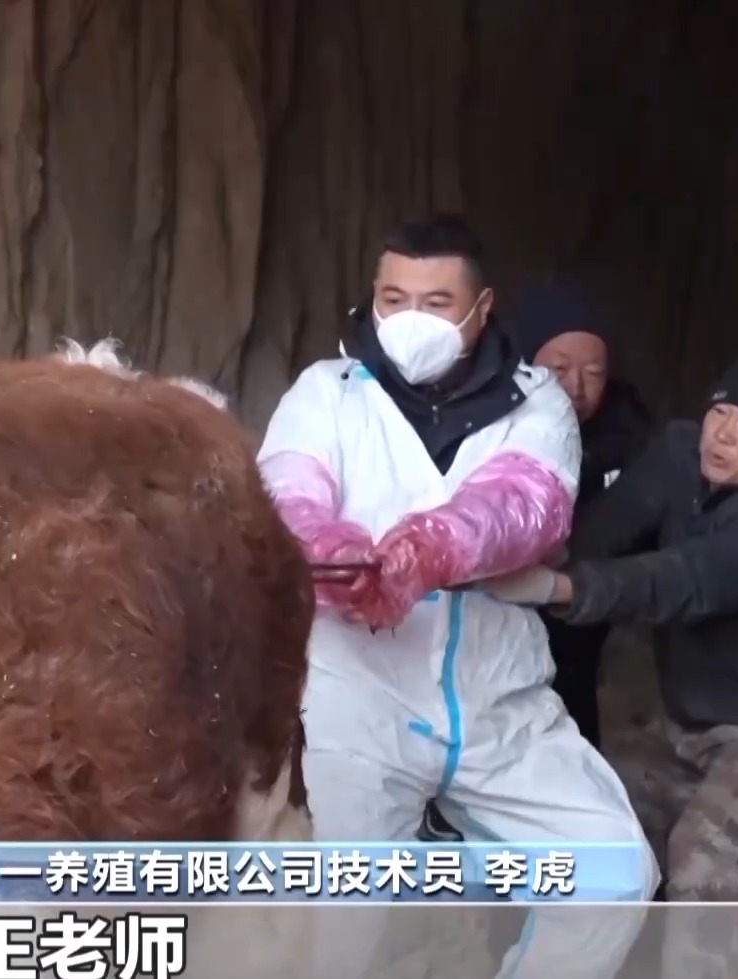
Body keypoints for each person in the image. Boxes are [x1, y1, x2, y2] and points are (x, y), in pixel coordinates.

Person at [258, 215, 655, 979]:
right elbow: (287, 494)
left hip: (496, 702)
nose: (411, 318)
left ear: (481, 308)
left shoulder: (536, 401)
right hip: (357, 703)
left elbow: (525, 502)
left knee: (614, 874)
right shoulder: (328, 392)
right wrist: (335, 558)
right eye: (394, 298)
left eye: (436, 302)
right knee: (333, 927)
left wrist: (431, 549)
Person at [489, 351, 738, 979]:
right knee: (599, 822)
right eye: (721, 412)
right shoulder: (678, 455)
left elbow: (682, 580)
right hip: (697, 726)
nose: (723, 434)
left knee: (707, 859)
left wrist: (557, 589)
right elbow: (602, 532)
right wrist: (523, 556)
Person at [513, 286, 657, 750]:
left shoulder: (628, 431)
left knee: (570, 705)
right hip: (499, 603)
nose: (576, 388)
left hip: (578, 605)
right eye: (559, 370)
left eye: (593, 373)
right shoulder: (492, 420)